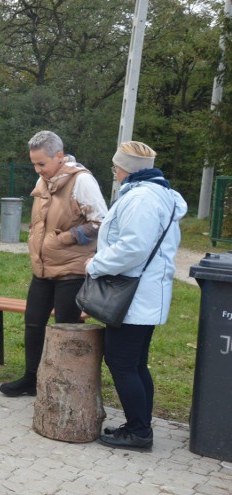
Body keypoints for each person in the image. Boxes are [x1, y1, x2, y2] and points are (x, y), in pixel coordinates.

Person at [90, 141, 186, 451]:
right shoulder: (158, 194)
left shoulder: (142, 198)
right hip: (146, 294)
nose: (114, 171)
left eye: (116, 166)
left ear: (126, 168)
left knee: (121, 362)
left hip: (133, 295)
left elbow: (132, 247)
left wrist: (94, 264)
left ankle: (139, 431)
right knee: (135, 363)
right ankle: (140, 424)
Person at [0, 130, 107, 397]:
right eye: (34, 163)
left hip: (71, 269)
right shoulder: (45, 179)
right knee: (34, 322)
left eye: (42, 164)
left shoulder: (82, 181)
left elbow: (101, 222)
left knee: (67, 328)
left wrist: (68, 237)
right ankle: (31, 380)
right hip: (43, 268)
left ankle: (67, 385)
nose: (38, 169)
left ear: (59, 156)